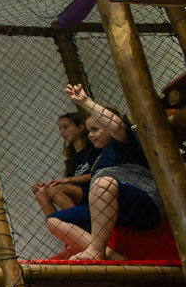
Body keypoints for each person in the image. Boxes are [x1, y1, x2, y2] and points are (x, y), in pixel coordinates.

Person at [45, 85, 164, 261]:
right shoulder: (99, 159)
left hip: (145, 205)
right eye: (89, 130)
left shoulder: (124, 144)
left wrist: (85, 102)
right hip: (116, 209)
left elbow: (115, 124)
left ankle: (95, 251)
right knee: (54, 221)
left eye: (96, 129)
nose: (90, 136)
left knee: (102, 184)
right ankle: (110, 254)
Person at [31, 111, 100, 215]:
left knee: (53, 188)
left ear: (81, 128)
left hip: (96, 192)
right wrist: (46, 185)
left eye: (66, 127)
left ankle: (82, 222)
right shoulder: (72, 158)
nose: (62, 132)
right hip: (79, 196)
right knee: (40, 192)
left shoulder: (94, 148)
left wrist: (64, 181)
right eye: (60, 129)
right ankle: (59, 226)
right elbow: (67, 183)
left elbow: (100, 174)